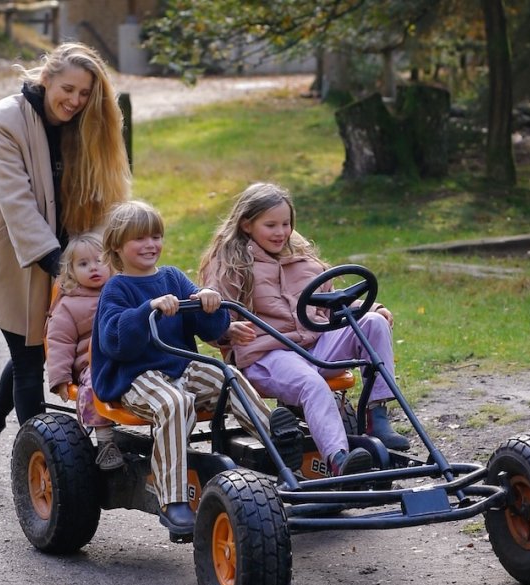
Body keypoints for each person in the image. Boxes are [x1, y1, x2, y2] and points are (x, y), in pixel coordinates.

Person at [0, 43, 131, 483]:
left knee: (36, 345)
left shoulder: (86, 121)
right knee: (29, 360)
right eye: (68, 89)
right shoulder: (4, 119)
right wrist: (60, 266)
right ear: (46, 77)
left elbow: (102, 196)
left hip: (68, 250)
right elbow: (18, 203)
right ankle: (43, 476)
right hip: (11, 251)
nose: (76, 101)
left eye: (85, 93)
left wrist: (111, 255)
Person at [91, 200, 302, 538]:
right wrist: (148, 309)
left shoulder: (172, 277)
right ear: (117, 245)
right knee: (175, 403)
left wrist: (208, 301)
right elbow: (116, 342)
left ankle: (280, 446)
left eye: (155, 237)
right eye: (139, 239)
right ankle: (173, 500)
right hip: (134, 376)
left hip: (180, 366)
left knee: (227, 376)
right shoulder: (117, 288)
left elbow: (210, 327)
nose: (150, 245)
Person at [198, 182, 412, 478]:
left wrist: (372, 309)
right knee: (312, 383)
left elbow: (331, 304)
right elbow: (211, 319)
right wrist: (227, 331)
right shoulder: (231, 264)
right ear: (247, 224)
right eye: (270, 225)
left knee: (373, 324)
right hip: (266, 357)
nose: (280, 232)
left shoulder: (303, 259)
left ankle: (376, 415)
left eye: (286, 224)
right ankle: (338, 458)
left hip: (314, 345)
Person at [44, 233, 122, 470]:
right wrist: (60, 379)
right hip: (92, 365)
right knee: (94, 388)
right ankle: (105, 440)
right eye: (83, 264)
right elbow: (59, 342)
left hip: (127, 356)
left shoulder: (120, 291)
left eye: (100, 261)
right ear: (71, 271)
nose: (94, 268)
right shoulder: (69, 305)